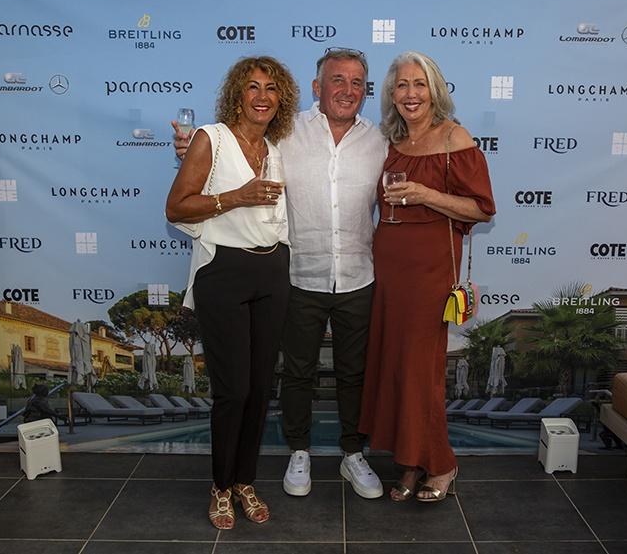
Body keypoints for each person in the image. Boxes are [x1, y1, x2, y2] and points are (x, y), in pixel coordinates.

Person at [174, 48, 387, 501]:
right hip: (297, 274)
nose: (347, 90)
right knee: (296, 373)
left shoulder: (380, 139)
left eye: (357, 83)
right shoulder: (286, 131)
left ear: (366, 91)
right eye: (337, 80)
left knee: (354, 373)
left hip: (357, 274)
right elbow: (232, 145)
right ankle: (298, 450)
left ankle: (353, 453)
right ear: (316, 87)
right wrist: (191, 148)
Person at [166, 56, 299, 529]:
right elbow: (176, 208)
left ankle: (245, 481)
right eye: (252, 87)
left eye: (271, 88)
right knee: (233, 390)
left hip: (272, 271)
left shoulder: (276, 148)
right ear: (237, 95)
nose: (262, 96)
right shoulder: (212, 138)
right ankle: (221, 486)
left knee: (260, 389)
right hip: (223, 271)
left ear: (281, 99)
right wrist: (236, 197)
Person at [358, 51, 495, 502]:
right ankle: (409, 461)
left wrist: (424, 194)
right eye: (402, 85)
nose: (411, 93)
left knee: (421, 369)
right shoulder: (391, 141)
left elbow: (481, 209)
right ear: (391, 94)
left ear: (435, 90)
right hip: (388, 268)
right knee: (396, 365)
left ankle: (441, 463)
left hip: (430, 269)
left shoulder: (455, 137)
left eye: (419, 84)